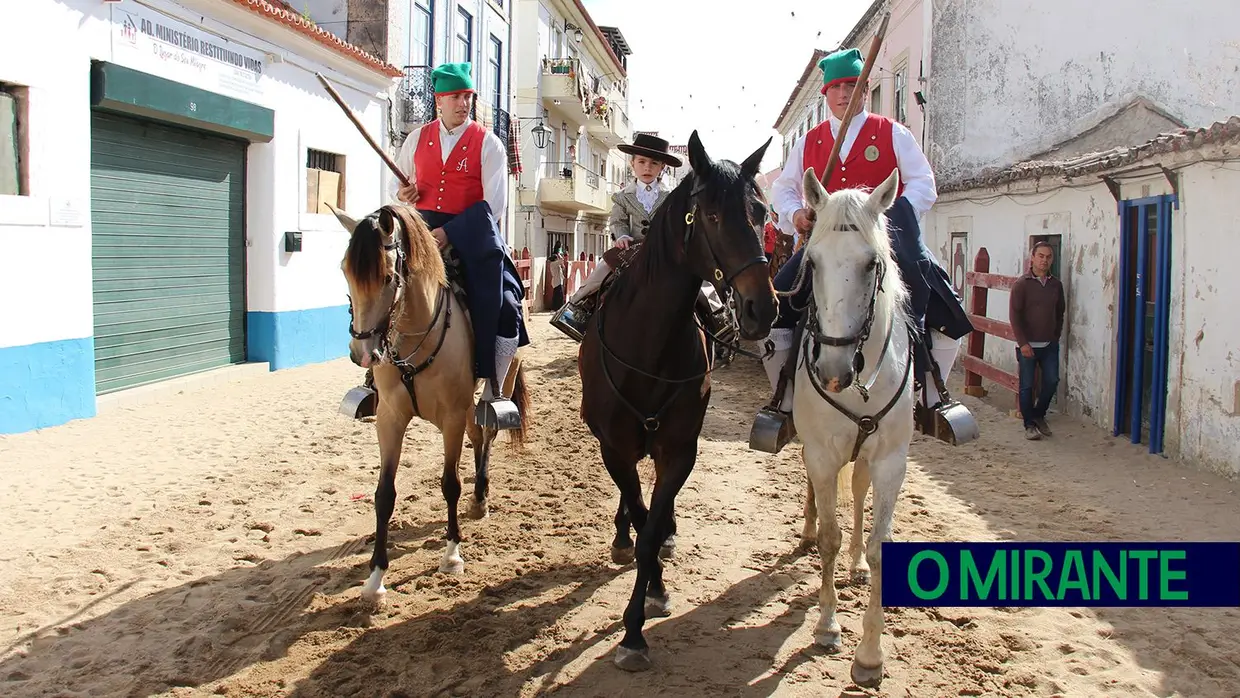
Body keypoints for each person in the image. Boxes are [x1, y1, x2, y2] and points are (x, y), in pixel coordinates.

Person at [751, 47, 974, 453]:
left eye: (851, 85)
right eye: (836, 88)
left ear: (864, 86)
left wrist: (886, 215)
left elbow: (924, 182)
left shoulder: (892, 133)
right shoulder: (808, 143)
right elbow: (784, 189)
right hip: (826, 243)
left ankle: (930, 396)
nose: (843, 94)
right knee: (775, 310)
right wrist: (795, 213)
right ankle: (784, 401)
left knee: (946, 308)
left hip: (886, 241)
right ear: (825, 94)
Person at [344, 62, 530, 426]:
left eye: (468, 96)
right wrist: (404, 193)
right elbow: (394, 190)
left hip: (473, 233)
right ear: (439, 99)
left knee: (507, 302)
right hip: (420, 230)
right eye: (456, 97)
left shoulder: (488, 143)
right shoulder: (416, 139)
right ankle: (372, 376)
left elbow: (495, 204)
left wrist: (453, 232)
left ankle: (493, 387)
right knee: (376, 283)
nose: (464, 103)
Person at [550, 133, 734, 344]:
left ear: (662, 167)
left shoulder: (672, 196)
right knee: (601, 271)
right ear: (632, 164)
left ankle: (718, 315)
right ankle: (577, 308)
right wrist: (622, 236)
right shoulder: (621, 196)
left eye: (654, 163)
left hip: (666, 250)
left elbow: (679, 222)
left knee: (697, 279)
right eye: (642, 162)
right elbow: (617, 221)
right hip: (631, 248)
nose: (647, 167)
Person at [1009, 241, 1065, 440]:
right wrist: (1023, 343)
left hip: (1049, 345)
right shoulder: (1022, 284)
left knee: (1051, 381)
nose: (1044, 260)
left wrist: (1055, 336)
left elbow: (1060, 313)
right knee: (1027, 385)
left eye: (1048, 257)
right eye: (1040, 256)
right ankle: (1029, 425)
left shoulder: (1056, 285)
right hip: (1028, 345)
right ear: (1032, 257)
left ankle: (1039, 414)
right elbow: (1014, 316)